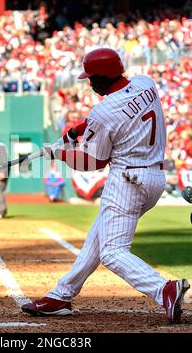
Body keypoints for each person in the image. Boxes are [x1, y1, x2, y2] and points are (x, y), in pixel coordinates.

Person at [21, 48, 190, 323]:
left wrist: (57, 153)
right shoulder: (145, 83)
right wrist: (79, 129)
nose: (89, 83)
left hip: (127, 182)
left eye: (91, 78)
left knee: (112, 252)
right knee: (97, 240)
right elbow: (121, 114)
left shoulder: (103, 112)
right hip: (154, 179)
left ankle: (164, 289)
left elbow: (93, 162)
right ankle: (61, 294)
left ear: (103, 76)